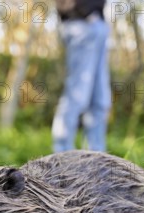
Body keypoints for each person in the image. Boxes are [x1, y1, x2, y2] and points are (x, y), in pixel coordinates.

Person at [51, 0, 111, 153]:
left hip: (98, 25)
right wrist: (85, 12)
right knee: (77, 96)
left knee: (100, 101)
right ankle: (61, 156)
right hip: (81, 24)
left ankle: (96, 158)